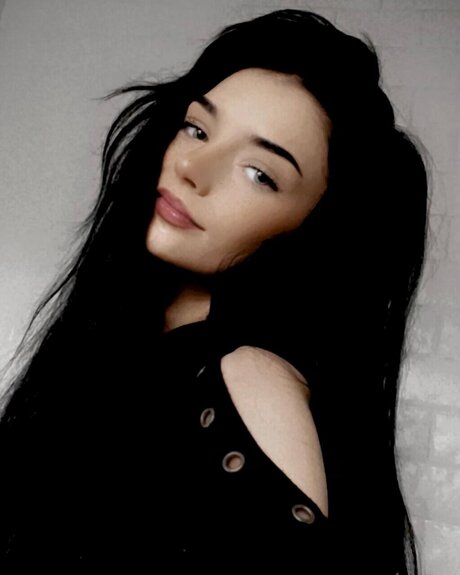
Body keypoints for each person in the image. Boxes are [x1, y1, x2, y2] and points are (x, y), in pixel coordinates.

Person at [0, 8, 430, 572]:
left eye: (259, 173)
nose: (193, 167)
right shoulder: (119, 344)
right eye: (198, 128)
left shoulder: (253, 381)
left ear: (316, 230)